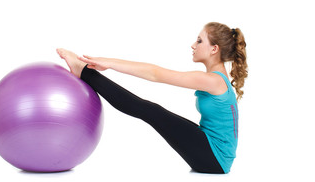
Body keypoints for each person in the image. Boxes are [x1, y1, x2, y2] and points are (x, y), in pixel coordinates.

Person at [56, 22, 248, 174]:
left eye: (199, 41)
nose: (193, 45)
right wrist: (109, 63)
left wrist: (108, 62)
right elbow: (154, 73)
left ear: (214, 49)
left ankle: (84, 72)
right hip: (213, 154)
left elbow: (155, 74)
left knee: (151, 111)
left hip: (214, 158)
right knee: (153, 111)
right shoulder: (217, 79)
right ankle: (85, 73)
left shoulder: (213, 81)